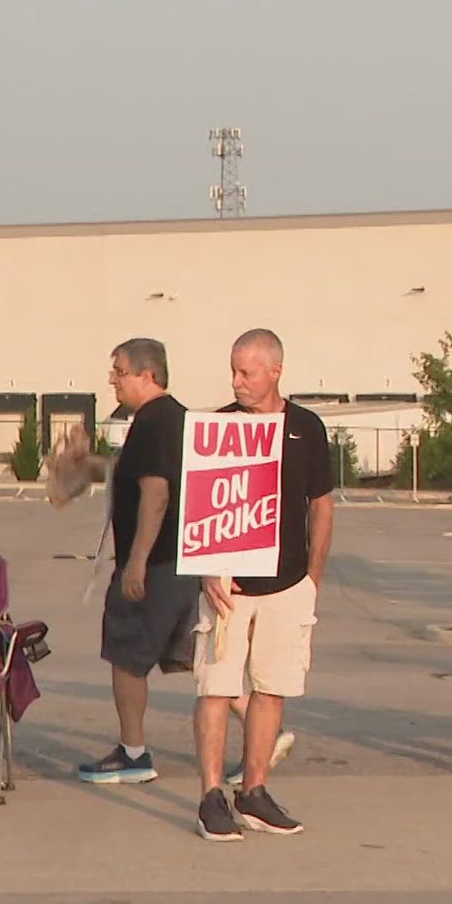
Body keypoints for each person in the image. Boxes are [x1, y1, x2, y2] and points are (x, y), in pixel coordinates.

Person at [192, 329, 334, 840]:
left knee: (273, 688)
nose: (237, 382)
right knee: (216, 687)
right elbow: (199, 507)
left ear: (275, 370)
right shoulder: (218, 429)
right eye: (233, 370)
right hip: (229, 586)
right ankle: (211, 796)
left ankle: (254, 791)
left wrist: (312, 578)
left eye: (246, 372)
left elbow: (321, 505)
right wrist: (208, 566)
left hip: (289, 584)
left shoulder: (307, 429)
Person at [73, 338, 196, 784]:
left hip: (157, 564)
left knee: (125, 655)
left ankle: (133, 753)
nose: (113, 379)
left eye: (120, 371)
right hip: (180, 563)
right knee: (191, 657)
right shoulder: (177, 419)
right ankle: (265, 728)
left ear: (148, 375)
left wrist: (136, 563)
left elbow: (156, 492)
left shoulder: (153, 422)